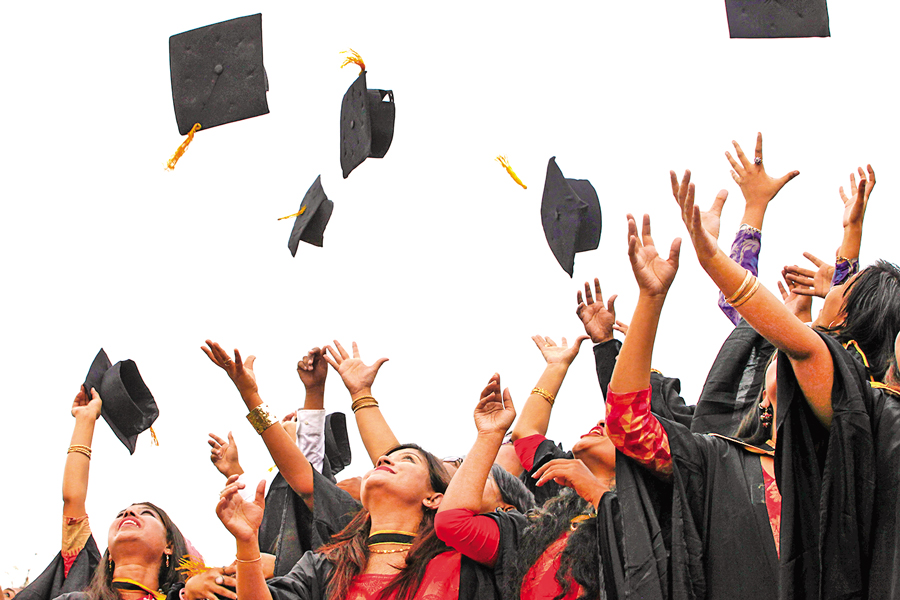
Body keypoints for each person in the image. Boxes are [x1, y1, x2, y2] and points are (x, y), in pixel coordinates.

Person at [672, 168, 900, 598]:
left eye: (842, 284)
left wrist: (713, 254)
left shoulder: (838, 380)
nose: (831, 282)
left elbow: (755, 310)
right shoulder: (872, 395)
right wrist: (852, 232)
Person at [216, 440, 499, 600]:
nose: (384, 461)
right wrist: (247, 543)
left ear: (434, 498)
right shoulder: (323, 566)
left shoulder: (466, 564)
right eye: (382, 459)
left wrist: (491, 433)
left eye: (408, 460)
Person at [435, 374, 620, 600]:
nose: (601, 422)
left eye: (617, 424)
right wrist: (489, 435)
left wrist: (597, 493)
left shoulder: (653, 507)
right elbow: (452, 522)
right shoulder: (535, 530)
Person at [18, 387, 189, 600]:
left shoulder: (188, 596)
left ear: (169, 545)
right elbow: (73, 499)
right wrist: (85, 419)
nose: (129, 515)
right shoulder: (78, 596)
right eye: (121, 514)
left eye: (147, 513)